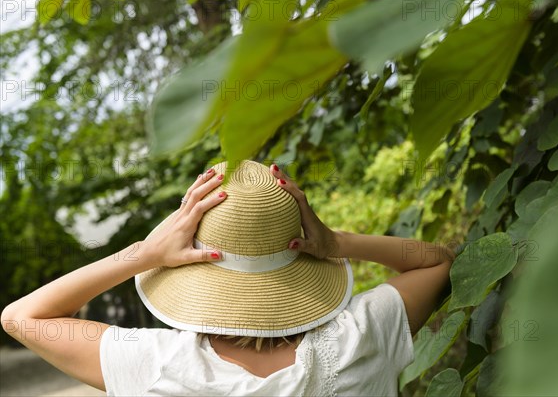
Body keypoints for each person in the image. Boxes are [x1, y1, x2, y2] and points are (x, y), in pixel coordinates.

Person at [1, 160, 455, 396]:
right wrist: (340, 241)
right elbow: (437, 261)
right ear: (301, 252)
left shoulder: (155, 365)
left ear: (191, 263)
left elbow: (22, 317)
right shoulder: (364, 337)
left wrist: (143, 253)